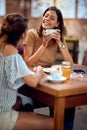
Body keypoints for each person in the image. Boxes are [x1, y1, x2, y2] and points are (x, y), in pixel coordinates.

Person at [22, 6, 75, 130]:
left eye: (52, 18)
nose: (47, 19)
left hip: (47, 79)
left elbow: (70, 64)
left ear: (57, 23)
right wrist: (44, 45)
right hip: (32, 79)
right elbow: (27, 62)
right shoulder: (32, 34)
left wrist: (59, 43)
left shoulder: (58, 37)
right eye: (46, 16)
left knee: (68, 102)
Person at [0, 13, 54, 130]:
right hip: (2, 116)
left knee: (20, 101)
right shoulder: (12, 55)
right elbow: (33, 82)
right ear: (23, 35)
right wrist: (39, 70)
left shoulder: (3, 48)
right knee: (56, 123)